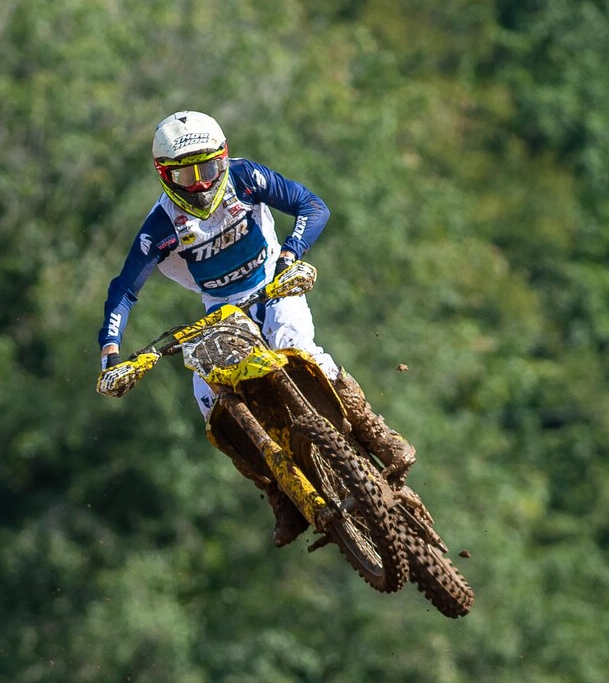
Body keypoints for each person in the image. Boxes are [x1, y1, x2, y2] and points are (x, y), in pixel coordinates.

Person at [96, 111, 418, 544]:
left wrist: (290, 255)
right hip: (223, 312)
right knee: (208, 398)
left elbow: (312, 205)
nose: (200, 184)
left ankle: (378, 435)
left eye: (207, 168)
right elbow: (123, 290)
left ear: (223, 159)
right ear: (164, 175)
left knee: (296, 343)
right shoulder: (161, 226)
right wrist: (112, 356)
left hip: (275, 283)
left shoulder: (246, 179)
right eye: (185, 175)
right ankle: (279, 494)